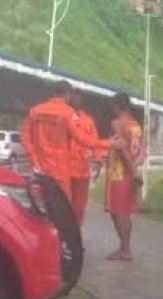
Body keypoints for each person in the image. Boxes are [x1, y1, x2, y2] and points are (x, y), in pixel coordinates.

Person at [21, 81, 109, 212]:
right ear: (67, 94)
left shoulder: (36, 110)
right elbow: (83, 139)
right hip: (61, 172)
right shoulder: (67, 113)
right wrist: (110, 143)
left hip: (44, 170)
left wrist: (34, 161)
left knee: (42, 209)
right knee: (60, 211)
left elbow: (25, 139)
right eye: (74, 94)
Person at [104, 92, 145, 260]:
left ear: (117, 105)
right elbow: (143, 151)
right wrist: (135, 168)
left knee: (117, 212)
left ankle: (124, 249)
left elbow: (122, 149)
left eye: (112, 105)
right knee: (126, 212)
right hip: (131, 173)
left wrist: (131, 169)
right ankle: (126, 247)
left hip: (119, 173)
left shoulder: (117, 124)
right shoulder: (136, 125)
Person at [65, 87, 102, 225]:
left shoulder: (88, 120)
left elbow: (95, 142)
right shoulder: (63, 116)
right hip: (64, 169)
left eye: (79, 96)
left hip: (82, 170)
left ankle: (76, 233)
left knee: (80, 206)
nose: (77, 99)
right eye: (74, 95)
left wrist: (98, 161)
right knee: (64, 204)